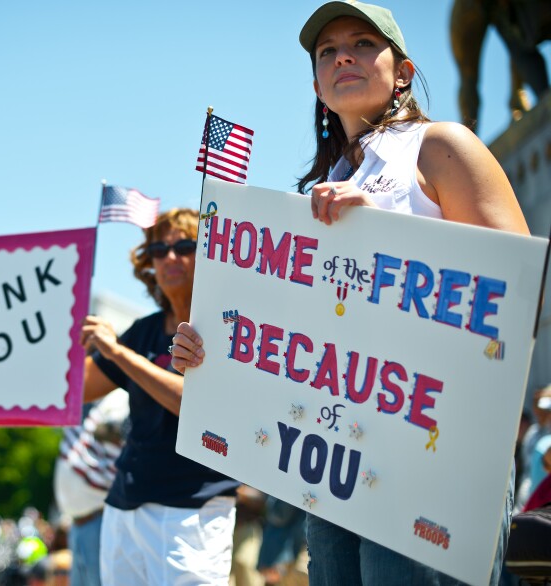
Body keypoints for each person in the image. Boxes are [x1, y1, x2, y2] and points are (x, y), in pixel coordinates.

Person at [170, 2, 530, 585]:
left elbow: (521, 294)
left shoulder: (442, 147)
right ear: (317, 82)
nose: (343, 55)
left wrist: (387, 233)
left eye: (363, 43)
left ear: (404, 71)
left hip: (432, 461)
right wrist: (213, 345)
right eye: (326, 50)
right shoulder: (321, 190)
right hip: (333, 471)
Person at [80, 207, 240, 586]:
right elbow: (73, 391)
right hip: (124, 505)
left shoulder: (232, 325)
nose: (170, 257)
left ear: (208, 253)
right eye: (158, 251)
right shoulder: (144, 331)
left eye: (184, 245)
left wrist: (117, 351)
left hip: (193, 510)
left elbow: (191, 404)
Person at [52, 388, 128, 586]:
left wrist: (111, 430)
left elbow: (127, 432)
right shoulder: (83, 398)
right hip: (78, 523)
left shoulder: (119, 396)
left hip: (100, 518)